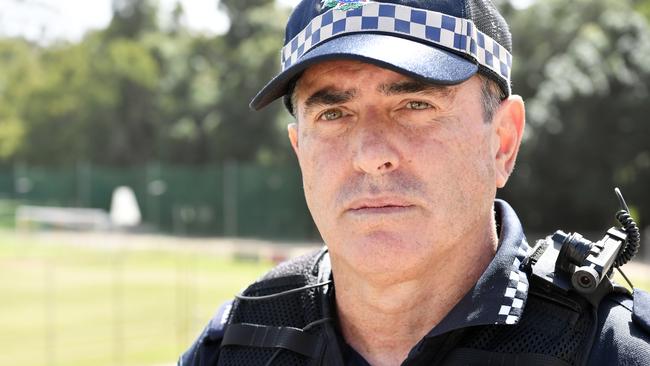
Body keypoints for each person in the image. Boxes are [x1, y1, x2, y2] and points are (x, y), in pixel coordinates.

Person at [180, 0, 650, 365]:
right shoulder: (239, 344)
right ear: (300, 150)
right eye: (334, 113)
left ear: (502, 142)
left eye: (415, 106)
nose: (371, 156)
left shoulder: (611, 351)